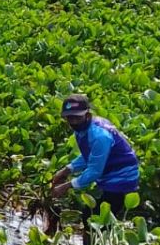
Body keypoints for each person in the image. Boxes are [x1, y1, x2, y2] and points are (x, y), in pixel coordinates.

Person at [49, 93, 140, 237]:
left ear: (87, 114)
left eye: (77, 117)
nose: (73, 122)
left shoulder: (100, 135)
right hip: (108, 174)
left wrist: (66, 186)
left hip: (121, 178)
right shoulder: (84, 129)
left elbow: (94, 171)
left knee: (94, 218)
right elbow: (90, 155)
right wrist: (66, 170)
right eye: (69, 118)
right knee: (92, 216)